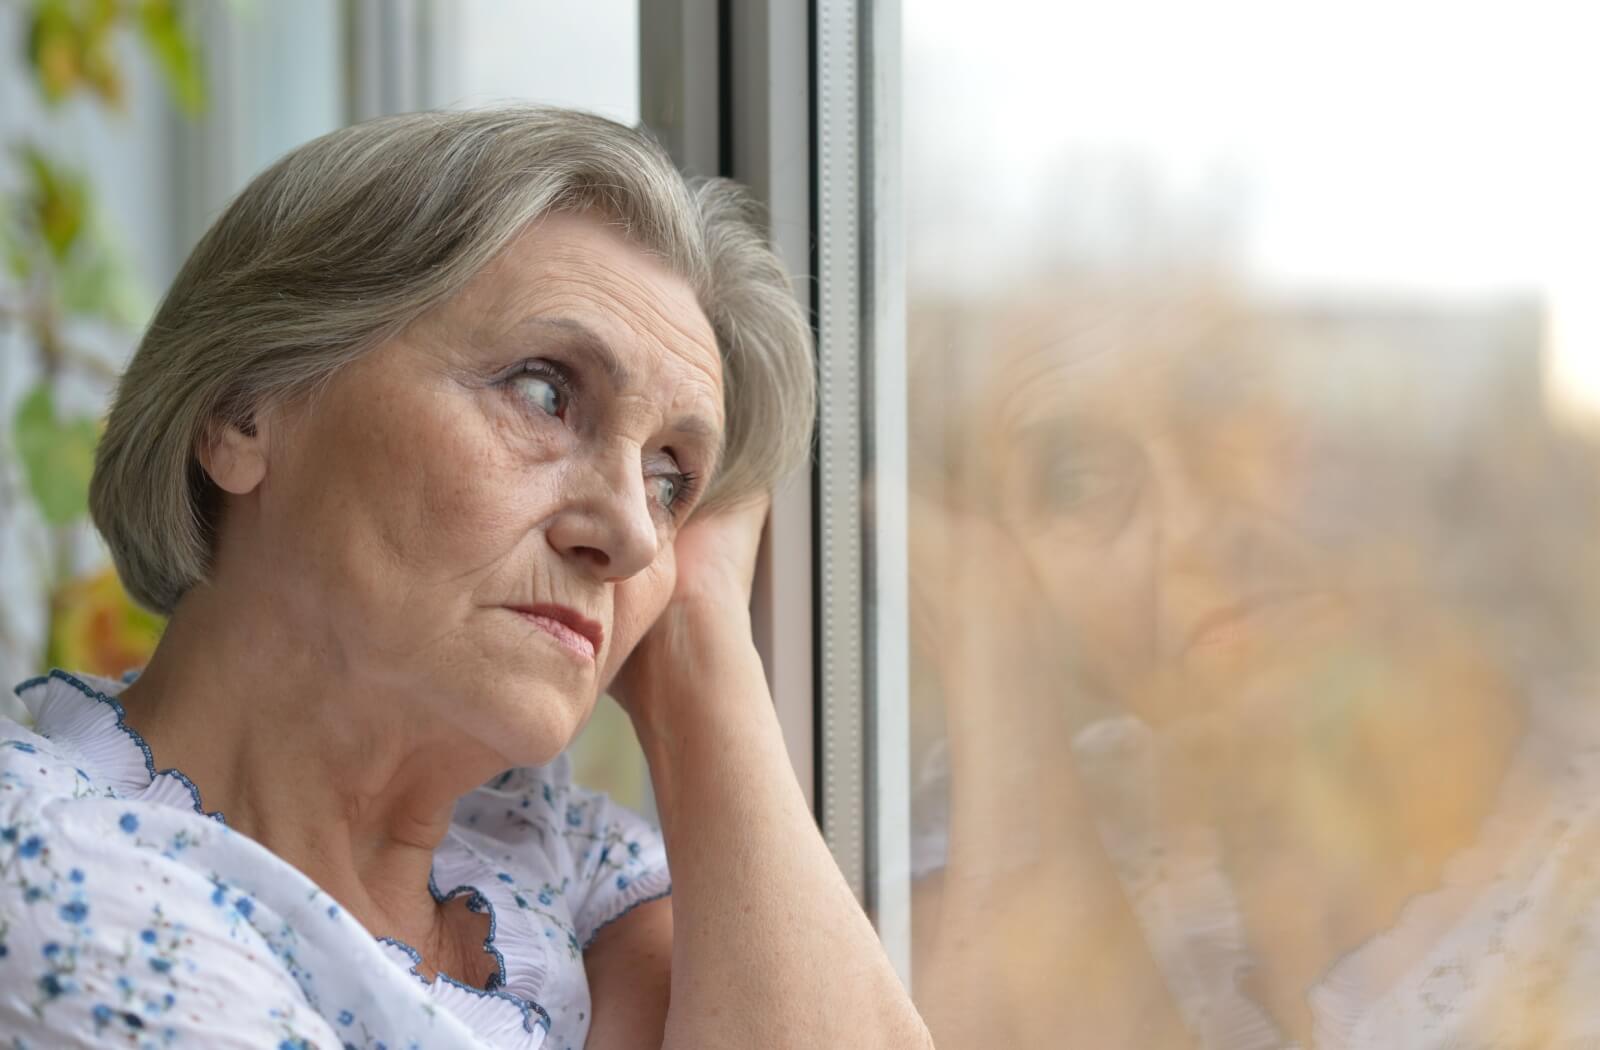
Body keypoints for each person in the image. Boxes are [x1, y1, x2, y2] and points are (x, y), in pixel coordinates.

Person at [0, 107, 931, 1050]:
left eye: (669, 482)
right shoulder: (48, 862)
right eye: (542, 391)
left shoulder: (559, 854)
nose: (634, 539)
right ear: (244, 412)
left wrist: (700, 641)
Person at [908, 279, 1600, 1048]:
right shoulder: (1028, 813)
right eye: (1075, 482)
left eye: (1228, 415)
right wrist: (998, 673)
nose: (1196, 531)